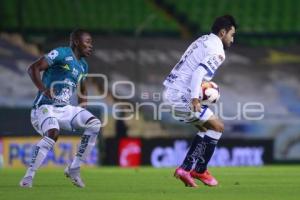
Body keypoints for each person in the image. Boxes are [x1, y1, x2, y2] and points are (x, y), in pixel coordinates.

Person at [19, 29, 101, 188]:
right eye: (88, 42)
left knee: (94, 124)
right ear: (77, 42)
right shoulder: (61, 53)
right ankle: (28, 177)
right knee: (53, 133)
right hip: (44, 108)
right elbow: (33, 68)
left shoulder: (83, 65)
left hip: (64, 109)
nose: (91, 46)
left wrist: (83, 110)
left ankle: (74, 168)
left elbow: (82, 90)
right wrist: (43, 89)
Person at [163, 15, 237, 187]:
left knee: (206, 129)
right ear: (222, 32)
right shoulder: (218, 51)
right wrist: (196, 98)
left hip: (170, 93)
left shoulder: (202, 40)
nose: (232, 39)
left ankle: (185, 168)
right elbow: (197, 73)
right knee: (218, 127)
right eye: (231, 35)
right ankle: (200, 170)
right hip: (182, 96)